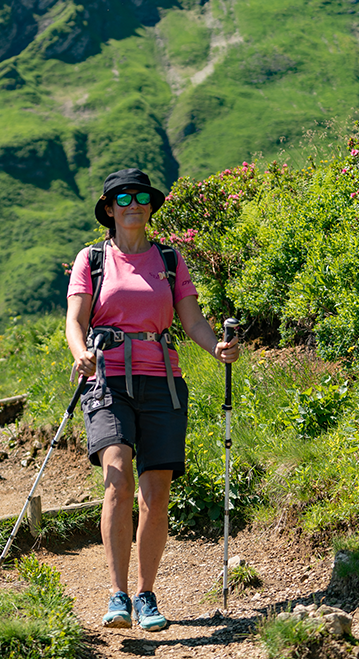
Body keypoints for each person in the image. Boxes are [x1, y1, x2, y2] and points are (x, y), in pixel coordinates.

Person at [65, 168, 239, 632]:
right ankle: (118, 594)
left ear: (150, 205)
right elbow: (74, 321)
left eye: (141, 195)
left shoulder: (169, 259)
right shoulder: (93, 258)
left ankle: (146, 595)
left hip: (163, 381)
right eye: (123, 197)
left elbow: (193, 320)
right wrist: (81, 354)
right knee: (117, 478)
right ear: (109, 208)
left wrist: (216, 348)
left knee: (155, 494)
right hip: (107, 378)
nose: (134, 203)